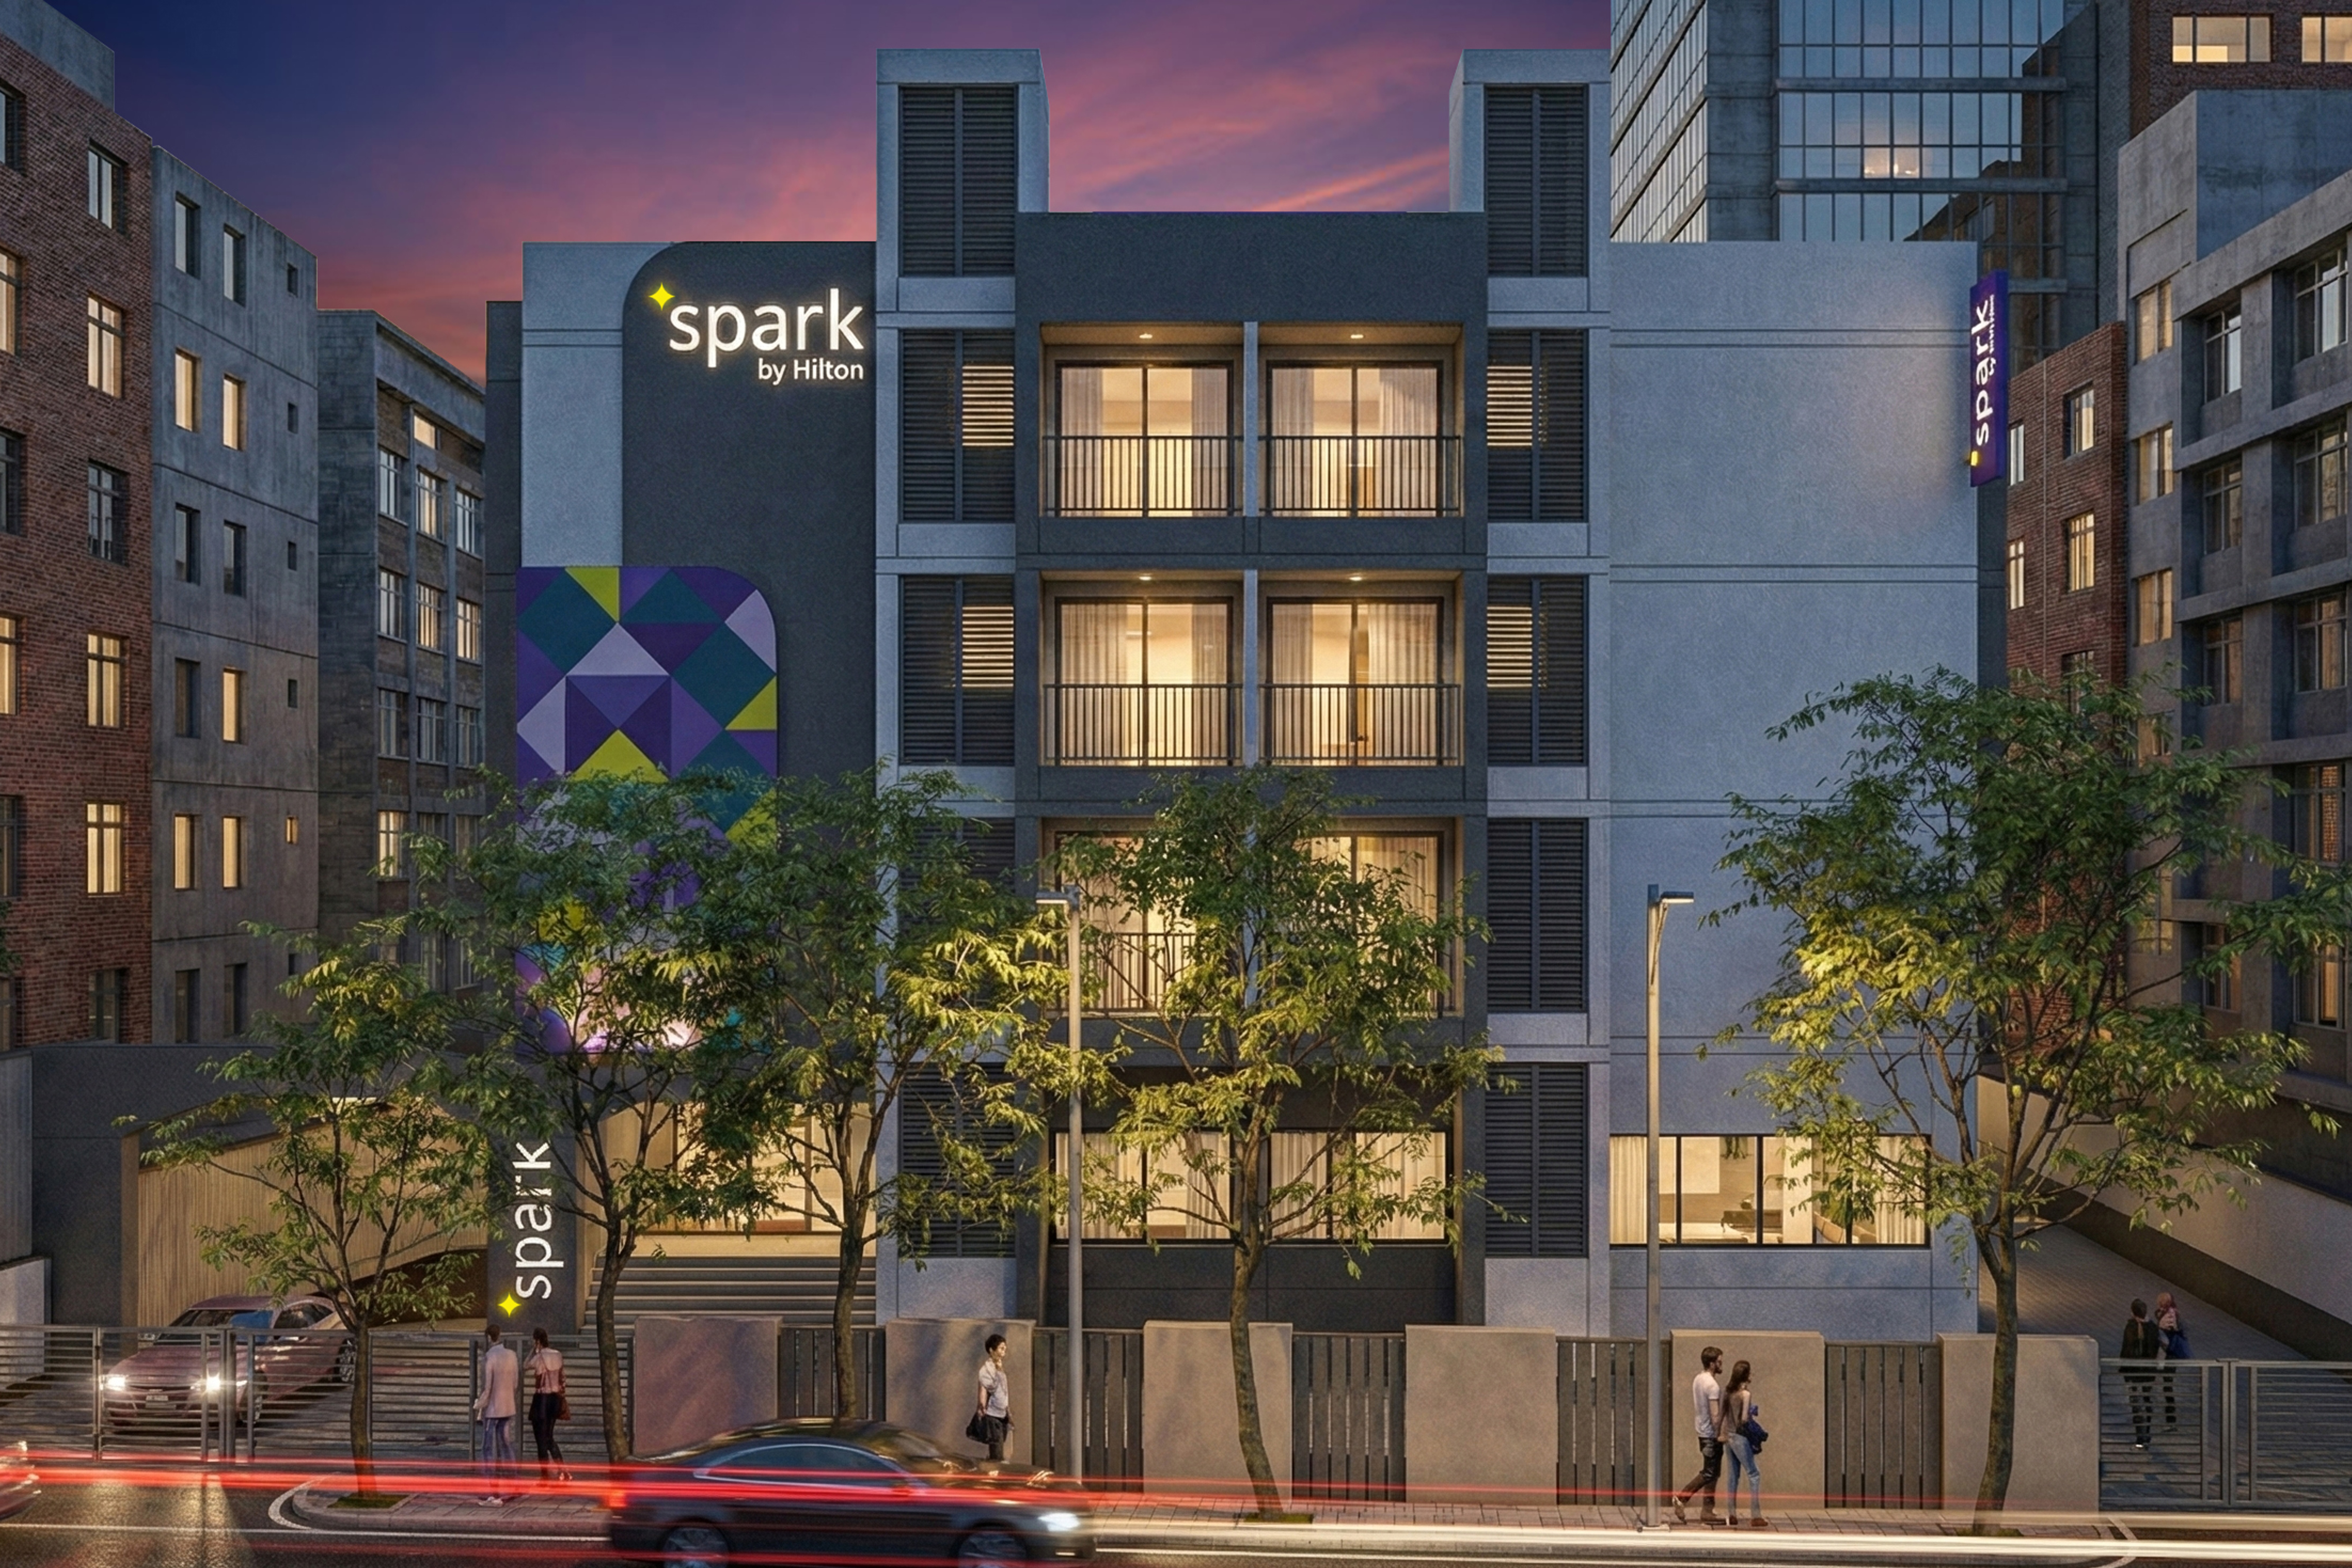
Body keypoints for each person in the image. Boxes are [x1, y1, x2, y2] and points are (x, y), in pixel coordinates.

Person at [1672, 1345, 1725, 1526]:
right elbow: (1715, 1415)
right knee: (1709, 1472)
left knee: (1714, 1473)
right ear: (1712, 1364)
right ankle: (1682, 1498)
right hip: (1711, 1434)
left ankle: (1708, 1511)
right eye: (1719, 1362)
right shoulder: (1713, 1385)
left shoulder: (1698, 1379)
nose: (1721, 1365)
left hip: (1702, 1431)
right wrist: (1721, 1433)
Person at [473, 1322, 519, 1503]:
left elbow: (488, 1387)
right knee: (506, 1445)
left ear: (488, 1337)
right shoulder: (512, 1355)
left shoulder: (490, 1357)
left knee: (487, 1448)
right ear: (500, 1335)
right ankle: (514, 1485)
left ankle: (491, 1489)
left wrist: (478, 1406)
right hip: (508, 1407)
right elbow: (515, 1383)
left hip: (493, 1409)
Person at [1719, 1359, 1768, 1528]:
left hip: (1729, 1437)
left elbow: (1722, 1416)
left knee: (1733, 1476)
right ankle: (1756, 1515)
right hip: (1741, 1437)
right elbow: (1745, 1419)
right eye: (1750, 1372)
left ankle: (1732, 1514)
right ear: (1746, 1375)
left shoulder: (1728, 1393)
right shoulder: (1745, 1395)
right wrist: (1752, 1411)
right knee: (1754, 1474)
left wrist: (1720, 1434)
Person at [525, 1327, 570, 1482]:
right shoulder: (558, 1355)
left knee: (541, 1439)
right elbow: (563, 1378)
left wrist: (533, 1351)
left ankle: (545, 1475)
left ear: (537, 1341)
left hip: (541, 1400)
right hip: (555, 1400)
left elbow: (526, 1366)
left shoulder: (539, 1357)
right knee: (549, 1437)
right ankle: (563, 1470)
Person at [2120, 1299, 2161, 1449]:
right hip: (2149, 1373)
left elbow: (2126, 1350)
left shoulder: (2130, 1327)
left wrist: (2124, 1369)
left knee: (2137, 1405)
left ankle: (2140, 1439)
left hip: (2134, 1373)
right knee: (2148, 1401)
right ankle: (2147, 1436)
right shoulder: (2153, 1328)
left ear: (2133, 1312)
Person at [974, 1333, 1013, 1462]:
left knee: (999, 1447)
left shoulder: (999, 1368)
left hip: (1002, 1414)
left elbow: (1003, 1391)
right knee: (997, 1451)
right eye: (1001, 1348)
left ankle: (994, 1465)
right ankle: (995, 1469)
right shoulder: (987, 1369)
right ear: (992, 1350)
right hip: (993, 1414)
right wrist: (982, 1407)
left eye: (1005, 1348)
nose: (1004, 1351)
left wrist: (1008, 1413)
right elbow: (983, 1389)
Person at [2154, 1291, 2189, 1429]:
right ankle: (2170, 1420)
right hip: (2171, 1355)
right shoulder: (2174, 1313)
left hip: (2168, 1356)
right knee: (2167, 1386)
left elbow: (2164, 1334)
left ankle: (2171, 1420)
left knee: (2168, 1386)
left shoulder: (2169, 1316)